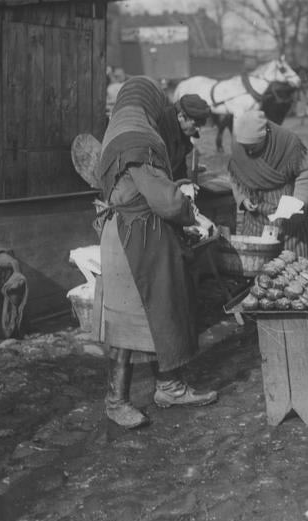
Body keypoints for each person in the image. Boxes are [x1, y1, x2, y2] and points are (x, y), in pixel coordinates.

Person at [94, 76, 217, 430]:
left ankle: (169, 387)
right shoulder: (139, 142)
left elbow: (144, 188)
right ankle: (116, 401)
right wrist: (189, 210)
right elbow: (166, 202)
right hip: (135, 242)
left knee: (155, 317)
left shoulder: (117, 136)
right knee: (131, 323)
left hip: (128, 235)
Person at [228, 110, 308, 260]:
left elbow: (305, 174)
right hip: (256, 217)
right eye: (245, 147)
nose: (249, 151)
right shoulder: (238, 148)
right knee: (257, 263)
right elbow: (235, 175)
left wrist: (298, 202)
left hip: (290, 219)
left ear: (265, 136)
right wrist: (242, 199)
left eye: (253, 146)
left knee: (293, 264)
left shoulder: (289, 144)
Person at [158, 94, 210, 181]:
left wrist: (185, 183)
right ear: (181, 116)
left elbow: (180, 165)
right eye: (195, 125)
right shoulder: (160, 129)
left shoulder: (182, 128)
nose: (198, 129)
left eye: (200, 125)